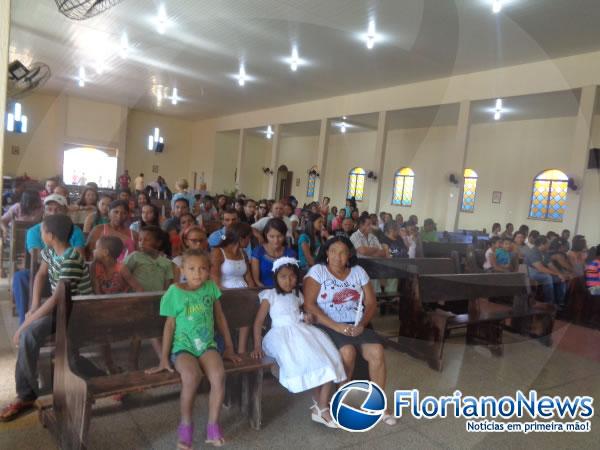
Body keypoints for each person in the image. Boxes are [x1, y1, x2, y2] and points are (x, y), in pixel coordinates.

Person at [145, 249, 241, 449]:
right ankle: (186, 425)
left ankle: (213, 425)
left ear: (209, 271)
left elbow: (220, 317)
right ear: (182, 270)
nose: (197, 273)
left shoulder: (210, 288)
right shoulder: (174, 292)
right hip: (183, 347)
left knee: (218, 375)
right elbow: (169, 326)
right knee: (191, 377)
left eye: (202, 269)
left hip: (207, 345)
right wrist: (163, 358)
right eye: (192, 269)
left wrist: (230, 347)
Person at [1, 215, 92, 421]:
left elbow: (58, 300)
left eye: (42, 231)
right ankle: (27, 390)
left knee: (28, 333)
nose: (40, 234)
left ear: (50, 236)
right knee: (30, 331)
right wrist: (33, 307)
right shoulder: (51, 251)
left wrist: (24, 324)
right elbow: (41, 275)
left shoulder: (71, 258)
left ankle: (25, 395)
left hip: (76, 313)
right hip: (61, 308)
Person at [303, 236, 396, 426]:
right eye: (334, 251)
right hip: (327, 324)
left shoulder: (358, 272)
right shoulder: (318, 271)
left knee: (377, 351)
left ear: (349, 255)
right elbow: (309, 305)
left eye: (343, 252)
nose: (338, 256)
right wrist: (337, 326)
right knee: (347, 352)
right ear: (326, 253)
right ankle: (340, 403)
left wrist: (362, 324)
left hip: (355, 324)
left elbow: (371, 303)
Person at [251, 257, 346, 428]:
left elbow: (301, 312)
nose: (288, 281)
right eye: (283, 276)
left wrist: (307, 316)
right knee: (306, 364)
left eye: (292, 276)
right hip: (281, 337)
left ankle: (321, 406)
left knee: (328, 360)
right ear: (276, 278)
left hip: (303, 332)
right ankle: (322, 407)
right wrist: (257, 345)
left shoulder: (297, 295)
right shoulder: (270, 296)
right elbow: (258, 323)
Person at [12, 195, 86, 324]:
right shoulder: (35, 231)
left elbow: (79, 256)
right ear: (44, 211)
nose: (53, 213)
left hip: (68, 275)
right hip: (45, 274)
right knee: (21, 277)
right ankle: (25, 321)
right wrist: (35, 304)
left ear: (66, 211)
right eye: (49, 209)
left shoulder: (75, 231)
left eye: (58, 209)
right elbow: (39, 260)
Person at [91, 235, 143, 373]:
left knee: (139, 329)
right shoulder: (96, 268)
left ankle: (132, 363)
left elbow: (137, 287)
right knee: (101, 333)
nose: (93, 251)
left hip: (123, 307)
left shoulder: (121, 268)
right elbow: (97, 291)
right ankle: (109, 365)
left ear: (105, 252)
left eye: (96, 248)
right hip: (104, 308)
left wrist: (137, 303)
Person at [211, 223, 256, 354]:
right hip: (224, 293)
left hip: (243, 293)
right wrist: (234, 295)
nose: (249, 241)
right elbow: (215, 281)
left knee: (250, 304)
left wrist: (252, 293)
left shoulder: (243, 254)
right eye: (248, 238)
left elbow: (249, 278)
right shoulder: (218, 252)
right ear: (241, 238)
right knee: (244, 306)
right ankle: (229, 349)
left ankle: (241, 350)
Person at [125, 226, 174, 292]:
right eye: (140, 240)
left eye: (147, 240)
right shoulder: (135, 256)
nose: (142, 243)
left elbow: (167, 284)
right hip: (137, 298)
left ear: (158, 243)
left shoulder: (167, 262)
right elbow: (122, 272)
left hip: (157, 299)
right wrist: (136, 286)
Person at [251, 218, 296, 288]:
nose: (276, 240)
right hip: (263, 290)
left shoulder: (290, 254)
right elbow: (256, 281)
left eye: (280, 236)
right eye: (271, 236)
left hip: (285, 291)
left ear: (284, 235)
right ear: (266, 235)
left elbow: (292, 278)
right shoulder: (258, 252)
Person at [525, 236, 567, 307]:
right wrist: (556, 273)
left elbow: (551, 265)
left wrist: (560, 274)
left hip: (539, 271)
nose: (549, 245)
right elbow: (540, 268)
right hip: (529, 272)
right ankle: (550, 303)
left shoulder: (545, 252)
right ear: (542, 244)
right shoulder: (533, 252)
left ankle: (560, 302)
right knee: (547, 277)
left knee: (560, 279)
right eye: (548, 243)